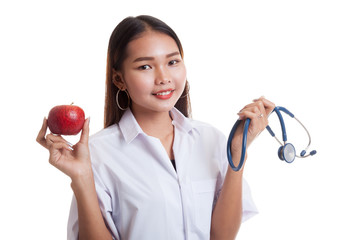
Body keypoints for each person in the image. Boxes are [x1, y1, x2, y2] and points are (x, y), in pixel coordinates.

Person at [37, 15, 275, 240]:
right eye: (145, 67)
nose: (164, 77)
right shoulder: (96, 153)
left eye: (172, 62)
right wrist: (82, 178)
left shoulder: (211, 138)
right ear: (119, 79)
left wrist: (237, 154)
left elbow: (220, 236)